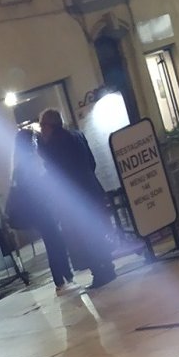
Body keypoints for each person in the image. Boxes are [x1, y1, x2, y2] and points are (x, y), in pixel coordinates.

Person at [36, 108, 116, 291]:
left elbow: (57, 173)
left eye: (42, 125)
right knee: (96, 231)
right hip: (92, 189)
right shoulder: (77, 135)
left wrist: (42, 151)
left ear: (49, 125)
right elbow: (92, 162)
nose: (41, 130)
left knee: (84, 236)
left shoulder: (54, 144)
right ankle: (108, 267)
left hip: (75, 198)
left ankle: (99, 272)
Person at [6, 126, 73, 291]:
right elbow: (36, 186)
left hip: (37, 210)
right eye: (34, 140)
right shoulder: (29, 162)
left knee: (53, 240)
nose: (36, 142)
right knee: (55, 240)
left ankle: (63, 276)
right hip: (41, 209)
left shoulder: (19, 164)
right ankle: (62, 276)